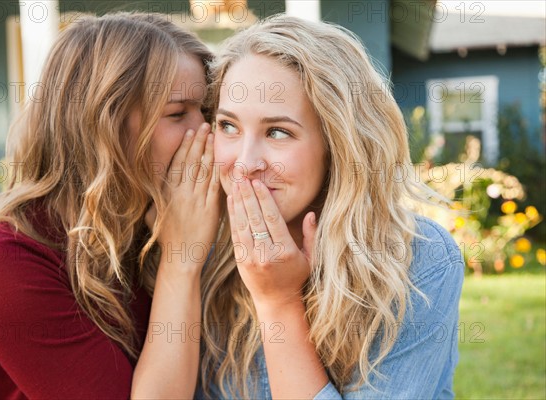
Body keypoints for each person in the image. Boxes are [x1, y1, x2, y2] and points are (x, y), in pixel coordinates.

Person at [0, 12, 220, 399]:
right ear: (104, 126)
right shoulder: (3, 260)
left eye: (207, 112)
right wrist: (181, 260)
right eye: (179, 113)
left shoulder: (158, 218)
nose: (205, 132)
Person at [196, 15, 465, 399]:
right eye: (228, 126)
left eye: (278, 132)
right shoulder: (200, 252)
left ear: (337, 144)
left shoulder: (419, 260)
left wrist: (279, 303)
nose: (244, 162)